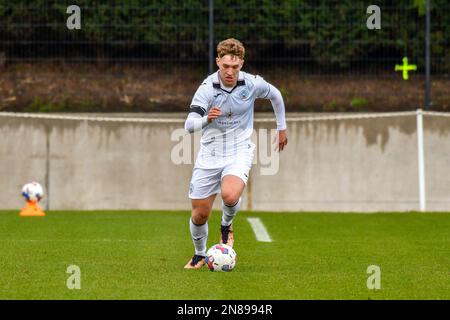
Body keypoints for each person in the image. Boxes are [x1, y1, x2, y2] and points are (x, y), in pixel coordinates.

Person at [184, 38, 288, 269]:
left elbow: (276, 95)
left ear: (241, 64)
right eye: (225, 66)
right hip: (210, 154)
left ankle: (225, 226)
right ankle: (200, 254)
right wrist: (206, 119)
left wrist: (281, 127)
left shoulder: (251, 83)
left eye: (235, 66)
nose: (230, 72)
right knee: (200, 214)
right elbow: (189, 125)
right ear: (217, 62)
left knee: (230, 195)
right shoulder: (206, 89)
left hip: (239, 150)